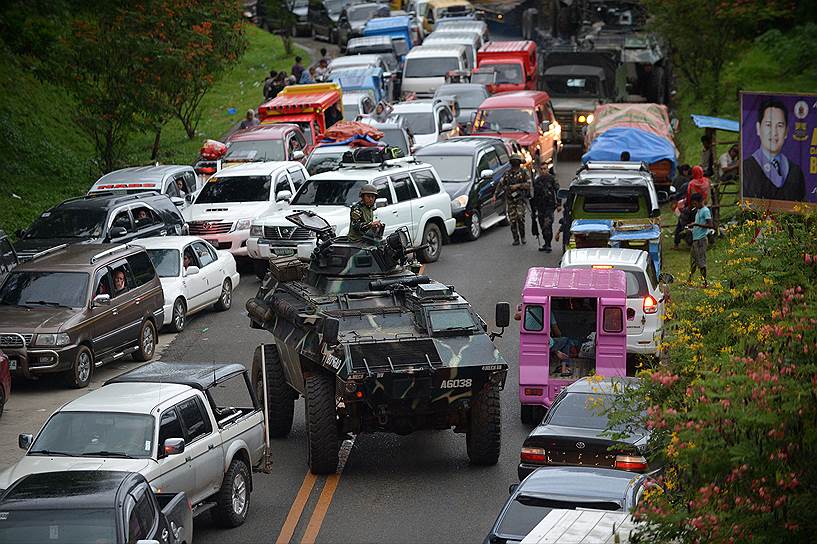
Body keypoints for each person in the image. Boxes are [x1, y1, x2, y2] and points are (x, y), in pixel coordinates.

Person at [742, 98, 806, 201]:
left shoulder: (795, 172)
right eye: (768, 125)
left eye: (780, 126)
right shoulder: (746, 169)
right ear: (758, 128)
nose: (774, 132)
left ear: (786, 132)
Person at [493, 154, 530, 246]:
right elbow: (501, 184)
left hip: (520, 199)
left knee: (520, 218)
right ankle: (515, 238)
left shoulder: (523, 172)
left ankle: (522, 236)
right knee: (512, 220)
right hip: (510, 200)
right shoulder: (507, 173)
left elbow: (528, 184)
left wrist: (518, 186)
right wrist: (495, 195)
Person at [529, 166, 561, 252]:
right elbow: (534, 195)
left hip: (549, 206)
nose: (543, 171)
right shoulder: (537, 181)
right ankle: (546, 243)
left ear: (547, 169)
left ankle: (548, 245)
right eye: (541, 169)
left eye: (544, 169)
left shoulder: (552, 179)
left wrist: (559, 204)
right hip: (540, 207)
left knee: (547, 225)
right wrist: (534, 209)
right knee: (542, 225)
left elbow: (558, 191)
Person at [687, 192, 713, 287]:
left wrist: (696, 225)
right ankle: (689, 280)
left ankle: (705, 282)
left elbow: (710, 225)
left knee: (701, 262)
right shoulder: (698, 211)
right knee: (693, 261)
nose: (694, 205)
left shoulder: (705, 211)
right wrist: (692, 227)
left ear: (700, 201)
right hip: (695, 239)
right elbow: (699, 222)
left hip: (701, 240)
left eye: (695, 203)